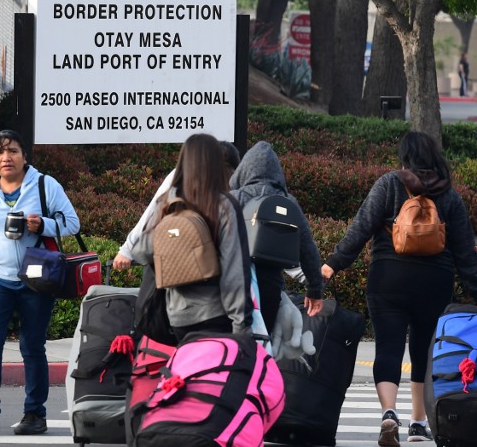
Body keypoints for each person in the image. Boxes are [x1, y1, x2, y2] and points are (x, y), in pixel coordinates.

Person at [320, 131, 477, 447]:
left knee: (388, 346)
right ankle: (418, 422)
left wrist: (333, 264)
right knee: (423, 351)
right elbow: (464, 251)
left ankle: (389, 413)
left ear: (405, 157)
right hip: (434, 283)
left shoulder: (389, 184)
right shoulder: (449, 195)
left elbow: (361, 228)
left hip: (388, 278)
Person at [0, 130, 81, 435]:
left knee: (32, 345)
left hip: (36, 277)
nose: (6, 157)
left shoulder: (44, 185)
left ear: (25, 156)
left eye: (13, 151)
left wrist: (43, 224)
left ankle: (35, 414)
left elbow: (72, 223)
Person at [129, 133, 252, 342]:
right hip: (216, 316)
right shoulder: (223, 206)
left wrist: (172, 238)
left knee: (187, 374)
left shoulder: (168, 203)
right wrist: (242, 328)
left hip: (177, 318)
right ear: (215, 164)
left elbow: (139, 250)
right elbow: (234, 273)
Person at [229, 141, 324, 330]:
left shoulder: (235, 197)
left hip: (236, 283)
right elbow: (307, 248)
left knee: (234, 342)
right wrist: (315, 289)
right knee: (264, 341)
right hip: (271, 285)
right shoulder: (288, 202)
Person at [113, 141, 241, 273]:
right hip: (206, 274)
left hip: (175, 270)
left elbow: (152, 220)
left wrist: (128, 249)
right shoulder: (230, 198)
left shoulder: (182, 183)